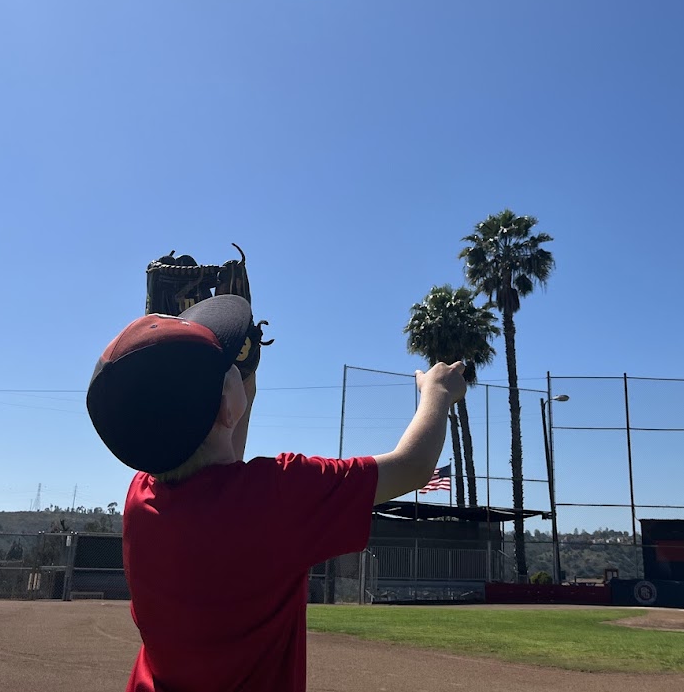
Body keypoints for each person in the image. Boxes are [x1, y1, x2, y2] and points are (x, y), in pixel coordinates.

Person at [86, 293, 466, 692]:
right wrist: (437, 392)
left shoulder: (141, 498)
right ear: (228, 407)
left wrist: (235, 369)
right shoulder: (280, 494)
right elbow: (413, 465)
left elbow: (222, 448)